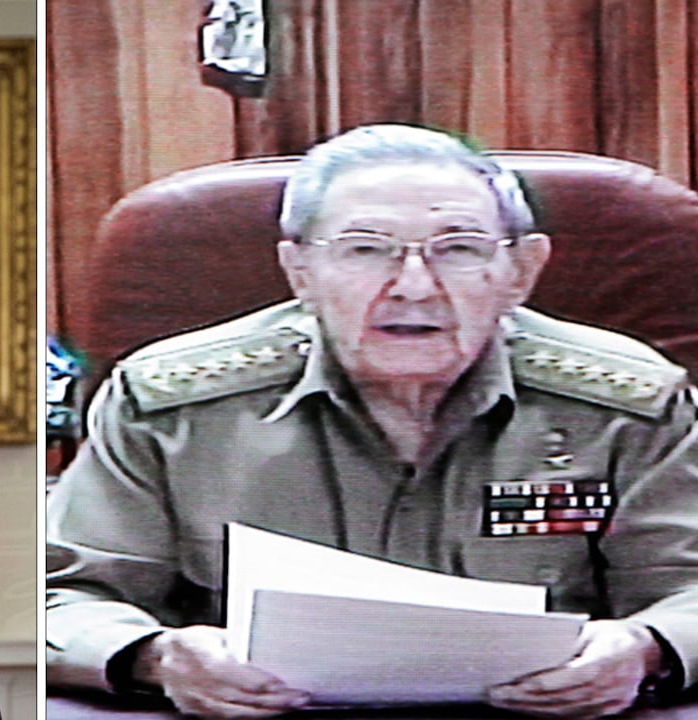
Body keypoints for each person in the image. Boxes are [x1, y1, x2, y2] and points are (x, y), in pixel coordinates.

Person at [47, 124, 698, 719]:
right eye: (365, 250)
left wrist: (644, 648)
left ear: (521, 272)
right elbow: (61, 596)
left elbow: (690, 591)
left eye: (459, 249)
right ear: (299, 271)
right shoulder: (170, 405)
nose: (414, 285)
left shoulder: (628, 405)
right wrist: (155, 656)